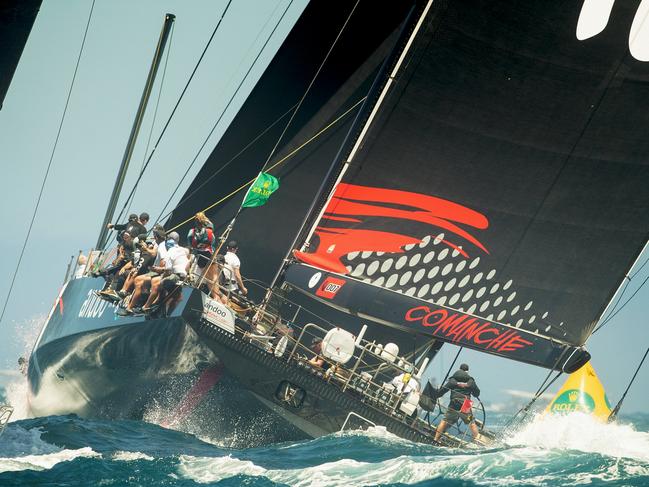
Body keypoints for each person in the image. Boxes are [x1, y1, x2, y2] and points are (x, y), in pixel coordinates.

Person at [434, 363, 481, 442]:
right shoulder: (471, 381)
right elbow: (477, 393)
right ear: (467, 371)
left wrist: (436, 395)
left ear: (459, 369)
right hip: (466, 404)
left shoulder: (453, 380)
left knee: (445, 420)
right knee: (471, 422)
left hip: (454, 403)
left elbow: (442, 391)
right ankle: (478, 442)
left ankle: (435, 439)